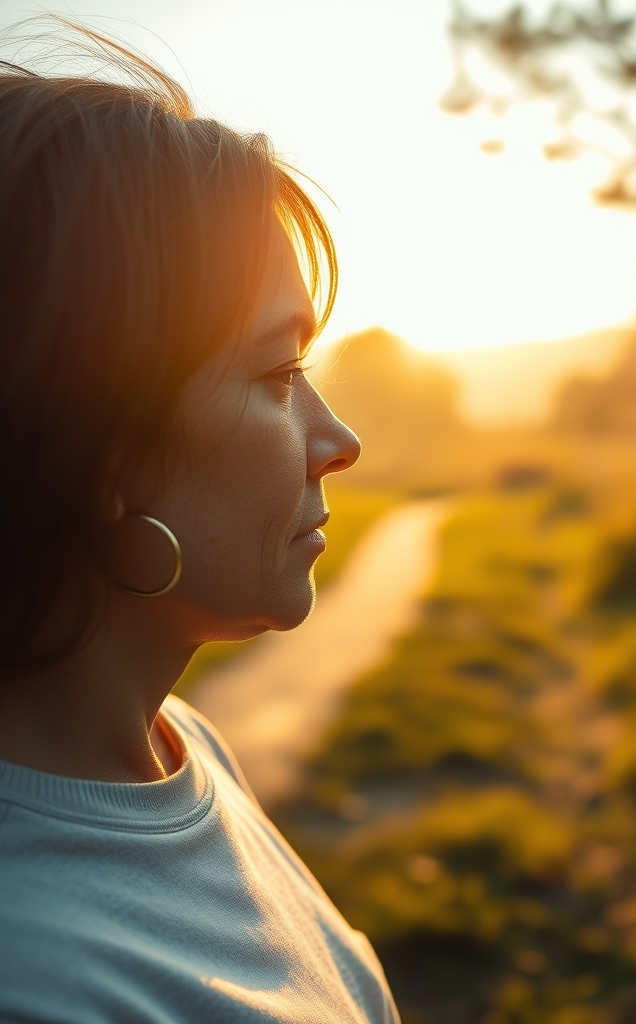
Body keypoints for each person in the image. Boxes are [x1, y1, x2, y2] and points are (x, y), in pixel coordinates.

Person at [0, 23, 399, 1024]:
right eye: (274, 375)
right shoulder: (38, 985)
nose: (338, 440)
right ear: (100, 447)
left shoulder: (184, 746)